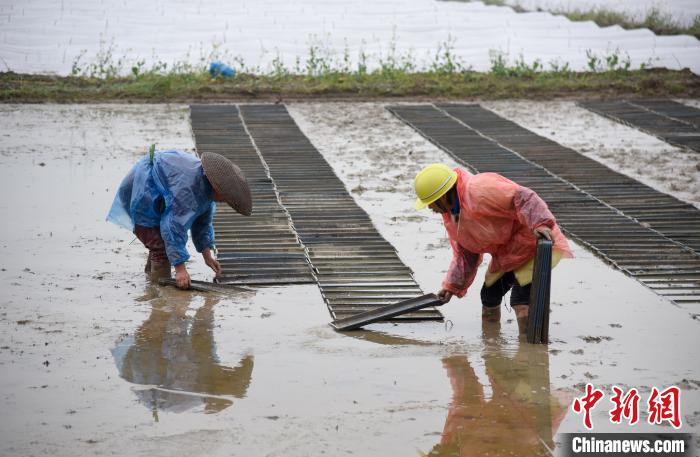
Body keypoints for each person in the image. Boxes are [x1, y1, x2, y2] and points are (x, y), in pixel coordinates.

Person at [414, 163, 572, 330]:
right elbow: (466, 255)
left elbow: (523, 196)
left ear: (443, 196)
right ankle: (491, 346)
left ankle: (529, 352)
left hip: (534, 243)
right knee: (489, 296)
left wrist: (540, 223)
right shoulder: (453, 217)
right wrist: (452, 286)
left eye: (430, 202)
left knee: (521, 302)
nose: (430, 208)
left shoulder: (478, 189)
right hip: (509, 254)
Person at [107, 148, 251, 289]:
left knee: (159, 243)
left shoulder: (206, 192)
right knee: (160, 248)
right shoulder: (188, 191)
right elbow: (173, 228)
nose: (224, 201)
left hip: (157, 189)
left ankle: (152, 280)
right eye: (225, 198)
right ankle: (159, 292)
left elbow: (202, 224)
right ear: (217, 187)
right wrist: (180, 269)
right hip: (141, 190)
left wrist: (207, 256)